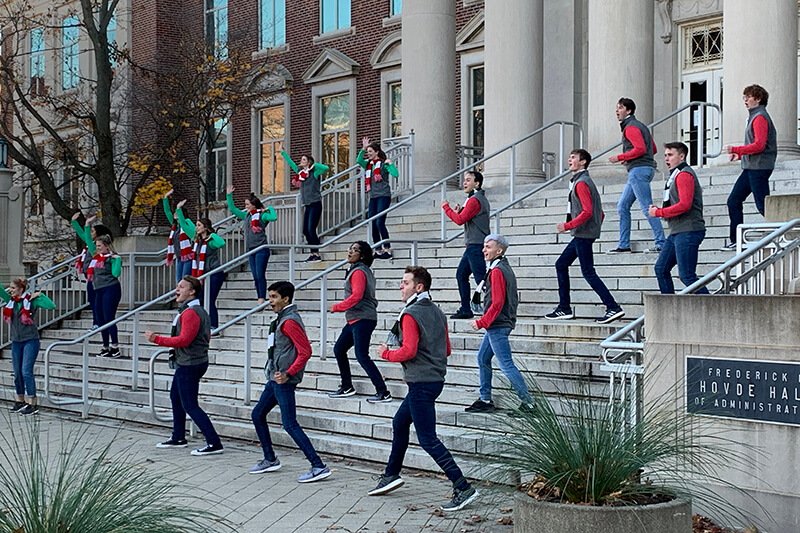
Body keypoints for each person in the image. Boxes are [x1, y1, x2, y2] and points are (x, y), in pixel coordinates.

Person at [371, 266, 478, 512]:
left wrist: (385, 353)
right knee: (399, 423)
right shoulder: (438, 312)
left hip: (420, 383)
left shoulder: (411, 314)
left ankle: (462, 486)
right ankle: (391, 474)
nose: (401, 286)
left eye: (405, 282)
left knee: (428, 439)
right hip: (432, 381)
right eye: (402, 282)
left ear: (419, 287)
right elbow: (447, 349)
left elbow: (408, 351)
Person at [249, 281, 332, 483]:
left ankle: (318, 465)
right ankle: (270, 459)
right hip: (275, 378)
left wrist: (288, 373)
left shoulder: (289, 321)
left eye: (274, 297)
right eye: (269, 297)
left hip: (282, 380)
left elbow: (305, 351)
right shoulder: (281, 319)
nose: (270, 302)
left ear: (286, 299)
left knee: (289, 423)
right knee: (258, 414)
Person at [145, 275, 224, 456]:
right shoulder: (192, 310)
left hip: (190, 363)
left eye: (181, 287)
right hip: (188, 361)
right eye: (177, 286)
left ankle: (214, 442)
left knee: (190, 404)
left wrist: (156, 339)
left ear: (192, 291)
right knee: (176, 397)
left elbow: (184, 340)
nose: (177, 290)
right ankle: (178, 437)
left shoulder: (191, 312)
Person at [547, 150, 626, 324]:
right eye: (570, 156)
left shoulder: (582, 183)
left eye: (574, 157)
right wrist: (593, 227)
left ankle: (612, 307)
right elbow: (600, 213)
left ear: (583, 162)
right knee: (561, 264)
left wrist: (567, 226)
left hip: (582, 234)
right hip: (582, 234)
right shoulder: (581, 181)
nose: (569, 159)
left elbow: (588, 211)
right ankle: (564, 308)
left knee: (588, 272)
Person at [465, 235, 532, 414]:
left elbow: (497, 302)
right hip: (499, 323)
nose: (483, 250)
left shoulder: (497, 271)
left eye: (488, 247)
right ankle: (485, 399)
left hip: (498, 324)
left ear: (499, 251)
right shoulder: (501, 267)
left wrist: (481, 322)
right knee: (482, 358)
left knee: (506, 364)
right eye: (484, 246)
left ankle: (529, 403)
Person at [328, 241, 391, 402]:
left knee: (361, 355)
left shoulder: (359, 272)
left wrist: (338, 307)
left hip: (363, 318)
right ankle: (347, 386)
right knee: (339, 349)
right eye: (350, 248)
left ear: (362, 255)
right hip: (355, 319)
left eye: (355, 250)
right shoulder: (359, 270)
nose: (350, 251)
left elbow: (356, 296)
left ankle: (383, 391)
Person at [649, 142, 711, 295]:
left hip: (689, 230)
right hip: (678, 231)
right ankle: (669, 308)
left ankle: (713, 308)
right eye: (665, 155)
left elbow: (684, 205)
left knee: (687, 275)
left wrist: (659, 212)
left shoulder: (684, 174)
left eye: (670, 155)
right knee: (661, 268)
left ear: (681, 156)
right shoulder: (676, 175)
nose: (666, 159)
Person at [721, 84, 777, 251]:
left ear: (758, 98)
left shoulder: (759, 117)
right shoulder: (756, 116)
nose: (745, 100)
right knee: (734, 201)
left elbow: (759, 145)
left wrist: (736, 149)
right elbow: (757, 146)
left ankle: (782, 232)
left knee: (762, 204)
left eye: (748, 97)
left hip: (758, 167)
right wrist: (740, 155)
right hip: (753, 166)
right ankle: (736, 240)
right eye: (744, 97)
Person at [608, 97, 665, 254]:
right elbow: (652, 149)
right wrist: (629, 157)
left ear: (629, 111)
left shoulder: (630, 127)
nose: (617, 110)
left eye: (620, 108)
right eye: (617, 107)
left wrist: (621, 157)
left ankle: (661, 242)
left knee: (647, 207)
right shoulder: (640, 126)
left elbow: (640, 149)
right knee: (622, 206)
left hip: (638, 171)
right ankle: (624, 244)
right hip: (642, 169)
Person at [441, 170, 490, 320]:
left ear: (477, 183)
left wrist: (446, 208)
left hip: (476, 244)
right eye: (464, 180)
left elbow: (460, 220)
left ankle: (492, 308)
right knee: (461, 275)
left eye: (468, 180)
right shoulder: (474, 199)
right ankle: (466, 308)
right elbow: (464, 217)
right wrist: (459, 212)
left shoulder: (475, 200)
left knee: (481, 279)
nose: (464, 183)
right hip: (473, 244)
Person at [2, 278, 55, 415]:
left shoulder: (31, 301)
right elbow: (0, 291)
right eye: (10, 288)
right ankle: (20, 400)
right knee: (17, 372)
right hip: (16, 341)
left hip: (30, 340)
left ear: (21, 289)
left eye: (13, 288)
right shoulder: (10, 301)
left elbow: (51, 306)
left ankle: (32, 402)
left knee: (26, 371)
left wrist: (39, 295)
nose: (11, 290)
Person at [175, 201, 226, 329]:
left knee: (209, 300)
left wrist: (212, 234)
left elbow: (221, 243)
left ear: (205, 227)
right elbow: (184, 225)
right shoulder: (196, 241)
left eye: (199, 225)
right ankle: (205, 325)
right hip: (201, 276)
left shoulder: (211, 242)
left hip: (213, 274)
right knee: (201, 300)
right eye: (196, 225)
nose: (196, 227)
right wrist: (179, 210)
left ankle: (214, 326)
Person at [226, 186, 277, 305]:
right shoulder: (247, 216)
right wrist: (229, 195)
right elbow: (233, 209)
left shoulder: (262, 215)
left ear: (254, 205)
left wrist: (269, 208)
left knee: (260, 274)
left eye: (248, 204)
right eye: (245, 204)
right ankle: (260, 297)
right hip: (251, 249)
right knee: (255, 275)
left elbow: (273, 217)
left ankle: (261, 298)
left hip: (261, 248)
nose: (246, 207)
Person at [280, 142, 329, 262]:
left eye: (304, 159)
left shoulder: (314, 173)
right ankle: (313, 253)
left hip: (315, 203)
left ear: (309, 162)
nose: (301, 161)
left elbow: (326, 168)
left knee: (311, 229)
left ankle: (316, 253)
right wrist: (282, 152)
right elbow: (291, 163)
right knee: (305, 231)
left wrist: (313, 165)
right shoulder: (301, 174)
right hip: (307, 204)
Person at [357, 137, 399, 259]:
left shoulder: (383, 163)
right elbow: (359, 160)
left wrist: (391, 164)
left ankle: (387, 248)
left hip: (383, 195)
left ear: (376, 152)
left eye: (370, 151)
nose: (368, 154)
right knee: (373, 223)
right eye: (368, 151)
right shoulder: (368, 165)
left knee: (380, 222)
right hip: (373, 197)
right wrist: (363, 149)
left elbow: (395, 174)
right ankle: (378, 250)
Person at [70, 212, 112, 330]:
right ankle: (97, 322)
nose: (89, 234)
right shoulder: (91, 245)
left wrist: (87, 224)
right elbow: (83, 235)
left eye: (92, 232)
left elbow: (86, 237)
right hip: (91, 277)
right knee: (93, 301)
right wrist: (74, 222)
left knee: (96, 302)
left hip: (96, 277)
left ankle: (98, 322)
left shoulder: (95, 247)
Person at [88, 234, 123, 358]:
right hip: (99, 290)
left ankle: (115, 346)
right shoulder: (96, 257)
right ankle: (105, 346)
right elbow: (87, 239)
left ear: (106, 246)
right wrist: (87, 226)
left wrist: (117, 260)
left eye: (99, 246)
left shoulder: (111, 258)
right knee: (100, 319)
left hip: (111, 288)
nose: (97, 248)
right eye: (96, 246)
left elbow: (116, 273)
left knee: (109, 318)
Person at [163, 189, 194, 284]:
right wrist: (165, 198)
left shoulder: (187, 223)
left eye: (177, 213)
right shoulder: (175, 227)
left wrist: (179, 209)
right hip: (179, 256)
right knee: (179, 280)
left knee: (185, 280)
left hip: (188, 256)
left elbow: (193, 232)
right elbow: (167, 212)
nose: (174, 214)